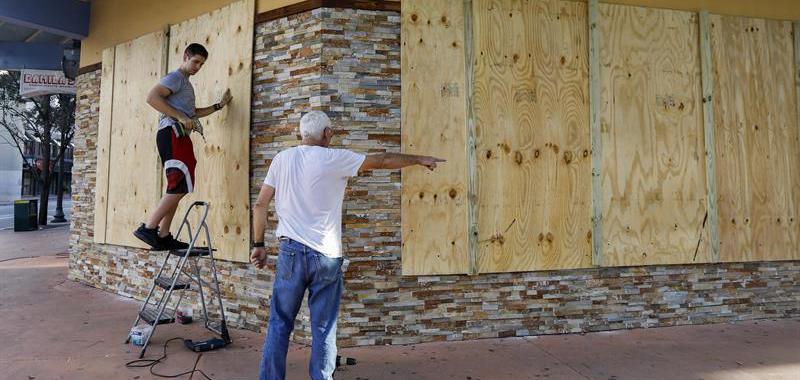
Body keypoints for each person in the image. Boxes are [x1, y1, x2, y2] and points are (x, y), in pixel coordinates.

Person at [250, 110, 444, 380]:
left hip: (290, 253)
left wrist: (258, 244)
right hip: (326, 257)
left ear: (301, 134)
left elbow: (260, 205)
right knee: (323, 328)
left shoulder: (281, 159)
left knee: (279, 324)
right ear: (327, 134)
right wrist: (419, 159)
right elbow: (383, 159)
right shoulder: (335, 158)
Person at [133, 43, 232, 250]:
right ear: (185, 57)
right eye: (195, 61)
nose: (197, 67)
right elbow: (152, 97)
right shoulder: (176, 77)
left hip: (177, 135)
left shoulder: (185, 83)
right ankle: (149, 228)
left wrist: (218, 106)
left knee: (179, 186)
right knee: (179, 184)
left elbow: (192, 112)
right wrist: (178, 116)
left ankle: (164, 234)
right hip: (172, 134)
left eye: (201, 64)